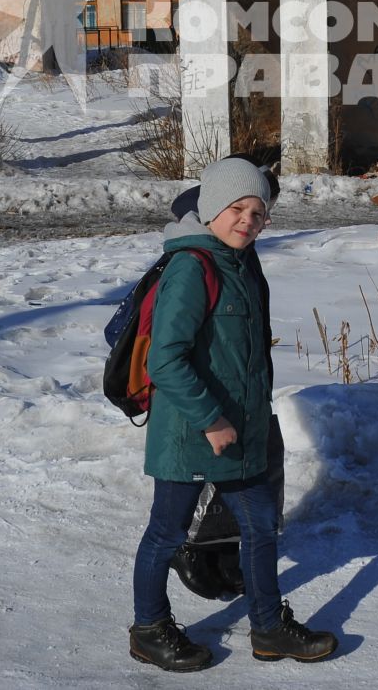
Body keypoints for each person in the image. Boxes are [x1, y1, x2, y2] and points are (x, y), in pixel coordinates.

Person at [128, 156, 338, 671]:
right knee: (168, 533)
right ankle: (149, 629)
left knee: (261, 527)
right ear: (211, 210)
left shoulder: (243, 263)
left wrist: (249, 420)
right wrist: (212, 420)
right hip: (190, 431)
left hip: (242, 427)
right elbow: (166, 360)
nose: (248, 219)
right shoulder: (191, 268)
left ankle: (268, 629)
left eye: (258, 210)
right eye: (236, 208)